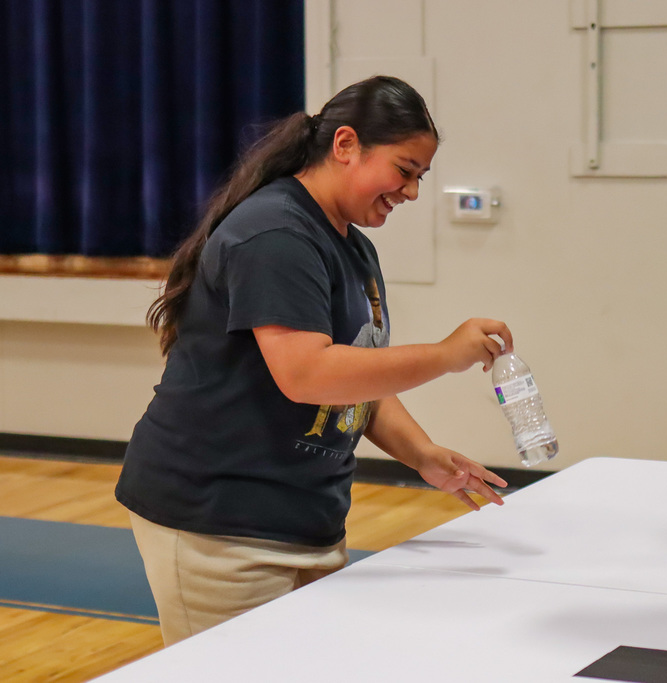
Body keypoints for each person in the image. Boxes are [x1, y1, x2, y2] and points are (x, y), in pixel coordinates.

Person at [115, 75, 514, 646]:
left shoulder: (350, 242)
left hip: (302, 519)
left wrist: (422, 453)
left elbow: (357, 372)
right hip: (219, 520)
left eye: (420, 177)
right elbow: (309, 375)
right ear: (346, 145)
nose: (411, 192)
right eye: (404, 171)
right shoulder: (276, 232)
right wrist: (445, 356)